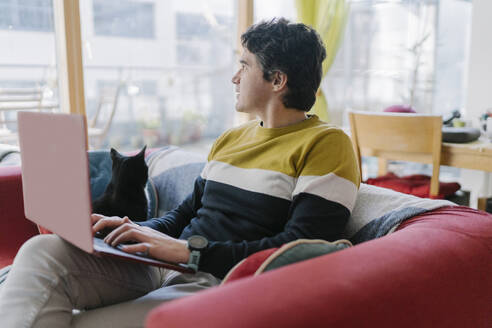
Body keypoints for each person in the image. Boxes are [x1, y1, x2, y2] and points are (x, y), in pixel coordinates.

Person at [0, 18, 360, 327]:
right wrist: (132, 232)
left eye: (245, 65)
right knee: (42, 250)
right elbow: (187, 214)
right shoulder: (232, 138)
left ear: (277, 80)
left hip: (219, 281)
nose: (234, 77)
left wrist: (188, 254)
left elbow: (299, 248)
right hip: (164, 264)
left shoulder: (326, 144)